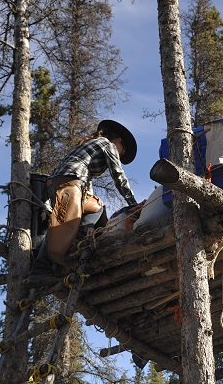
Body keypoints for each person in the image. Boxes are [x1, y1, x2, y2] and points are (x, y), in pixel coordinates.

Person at [28, 119, 140, 287]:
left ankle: (80, 242)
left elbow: (85, 180)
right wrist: (133, 204)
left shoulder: (87, 148)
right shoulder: (106, 144)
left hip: (59, 185)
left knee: (95, 208)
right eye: (122, 151)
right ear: (118, 141)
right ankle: (68, 249)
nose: (120, 154)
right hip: (71, 185)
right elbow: (119, 176)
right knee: (69, 224)